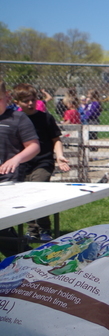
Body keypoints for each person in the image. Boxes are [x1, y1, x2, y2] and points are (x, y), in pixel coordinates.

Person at [12, 83, 71, 241]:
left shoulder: (45, 118)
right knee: (25, 197)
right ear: (17, 102)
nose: (30, 103)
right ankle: (33, 230)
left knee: (37, 192)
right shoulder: (14, 119)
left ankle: (45, 229)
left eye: (33, 99)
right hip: (22, 164)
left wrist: (59, 156)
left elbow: (56, 140)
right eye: (26, 101)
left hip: (43, 162)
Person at [0, 78, 40, 257]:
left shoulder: (17, 118)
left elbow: (33, 146)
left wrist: (16, 159)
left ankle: (25, 258)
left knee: (3, 228)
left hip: (8, 179)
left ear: (7, 96)